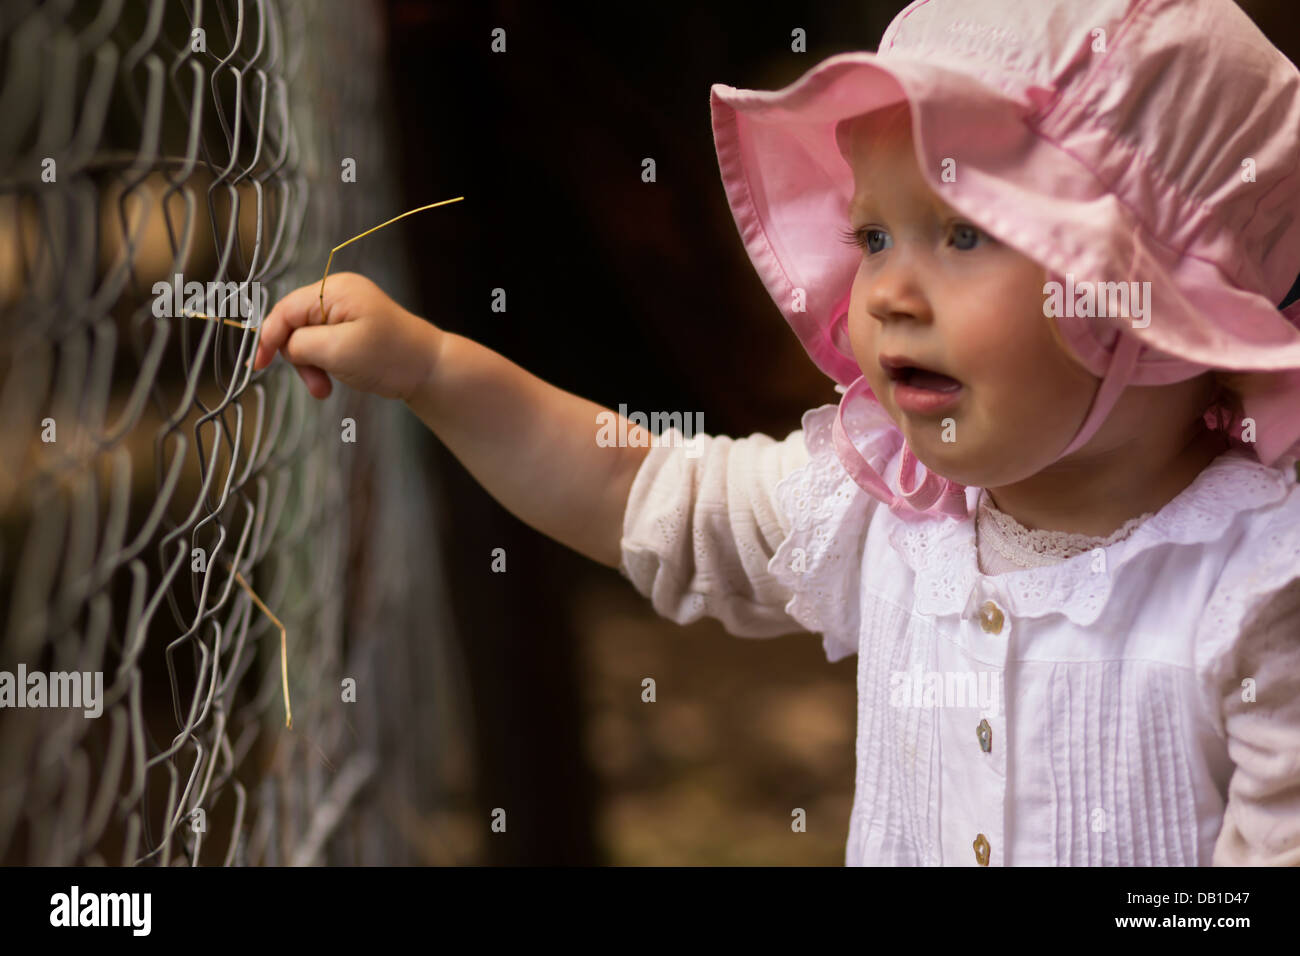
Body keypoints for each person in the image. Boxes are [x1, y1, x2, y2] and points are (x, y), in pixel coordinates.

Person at [252, 0, 1300, 865]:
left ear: (1147, 303)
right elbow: (637, 492)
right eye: (873, 234)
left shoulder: (1256, 590)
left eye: (963, 232)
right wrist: (438, 370)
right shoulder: (882, 504)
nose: (886, 289)